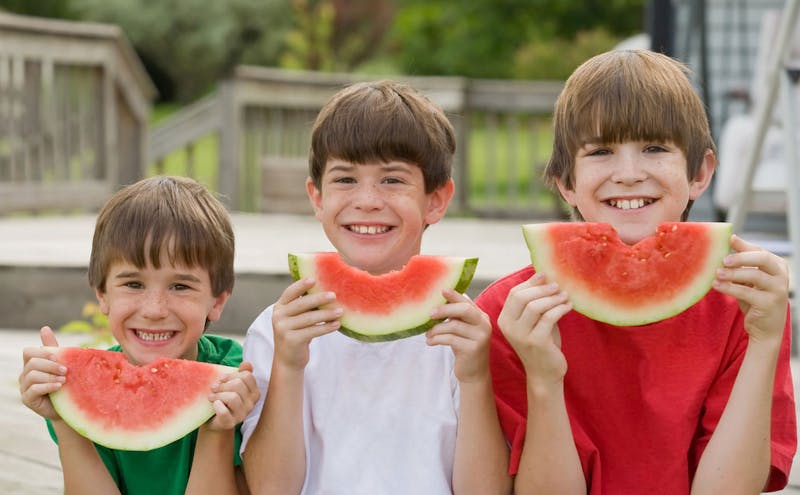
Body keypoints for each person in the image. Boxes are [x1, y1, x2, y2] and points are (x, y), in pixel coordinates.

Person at [476, 49, 797, 494]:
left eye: (654, 148)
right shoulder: (513, 315)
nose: (628, 174)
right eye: (601, 151)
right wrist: (544, 380)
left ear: (700, 173)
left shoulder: (746, 304)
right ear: (566, 182)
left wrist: (765, 341)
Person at [240, 80, 512, 495]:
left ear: (436, 201)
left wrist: (474, 378)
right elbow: (269, 489)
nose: (367, 200)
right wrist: (288, 367)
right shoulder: (279, 330)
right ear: (317, 197)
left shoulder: (463, 333)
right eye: (345, 179)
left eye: (392, 180)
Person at [19, 175, 260, 495]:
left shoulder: (239, 378)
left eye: (180, 286)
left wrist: (217, 432)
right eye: (133, 284)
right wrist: (65, 422)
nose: (154, 309)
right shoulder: (79, 385)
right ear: (102, 295)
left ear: (217, 301)